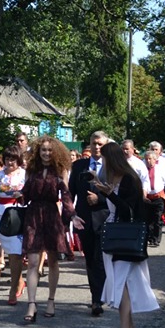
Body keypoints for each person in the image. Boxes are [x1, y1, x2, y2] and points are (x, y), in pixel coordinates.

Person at [93, 142, 159, 328]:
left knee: (120, 284)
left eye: (104, 159)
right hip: (115, 235)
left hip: (124, 237)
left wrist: (108, 193)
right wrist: (105, 193)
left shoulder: (129, 180)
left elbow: (129, 210)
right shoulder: (117, 179)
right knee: (124, 284)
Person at [20, 136, 79, 323]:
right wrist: (17, 194)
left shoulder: (60, 170)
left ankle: (51, 300)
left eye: (49, 150)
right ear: (38, 152)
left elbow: (66, 195)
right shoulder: (31, 170)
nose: (46, 153)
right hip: (33, 216)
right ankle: (31, 303)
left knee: (53, 261)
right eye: (43, 150)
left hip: (53, 216)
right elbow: (26, 195)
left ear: (55, 152)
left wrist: (72, 215)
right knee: (32, 262)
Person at [69, 131, 109, 316]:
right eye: (94, 143)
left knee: (103, 260)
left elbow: (120, 192)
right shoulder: (79, 166)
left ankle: (104, 295)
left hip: (107, 218)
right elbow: (70, 193)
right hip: (85, 220)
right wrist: (71, 215)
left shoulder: (112, 166)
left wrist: (100, 198)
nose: (97, 147)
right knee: (92, 260)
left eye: (100, 144)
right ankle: (96, 298)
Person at [0, 145, 27, 304]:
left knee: (16, 252)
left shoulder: (25, 174)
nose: (10, 162)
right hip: (1, 215)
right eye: (7, 159)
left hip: (20, 214)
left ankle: (13, 288)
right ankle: (20, 280)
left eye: (13, 159)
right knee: (9, 251)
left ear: (19, 160)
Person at [143, 148, 165, 248]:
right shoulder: (142, 169)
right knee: (148, 219)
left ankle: (156, 239)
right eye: (146, 159)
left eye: (150, 159)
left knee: (157, 218)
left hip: (158, 197)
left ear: (155, 160)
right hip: (147, 197)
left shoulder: (162, 168)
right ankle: (149, 237)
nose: (148, 161)